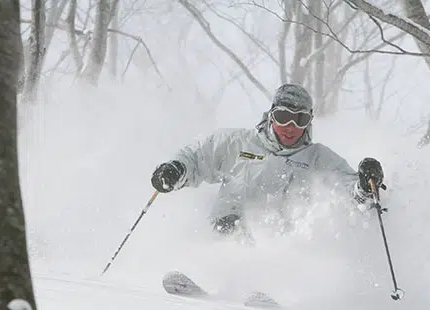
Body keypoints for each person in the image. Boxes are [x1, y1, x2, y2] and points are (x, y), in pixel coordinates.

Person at [150, 83, 385, 236]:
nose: (290, 128)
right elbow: (198, 157)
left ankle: (274, 289)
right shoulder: (237, 142)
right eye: (283, 117)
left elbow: (347, 191)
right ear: (271, 116)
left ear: (309, 121)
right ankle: (208, 277)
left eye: (299, 119)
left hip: (280, 246)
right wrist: (175, 170)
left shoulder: (318, 158)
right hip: (226, 230)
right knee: (227, 237)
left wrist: (365, 185)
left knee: (278, 242)